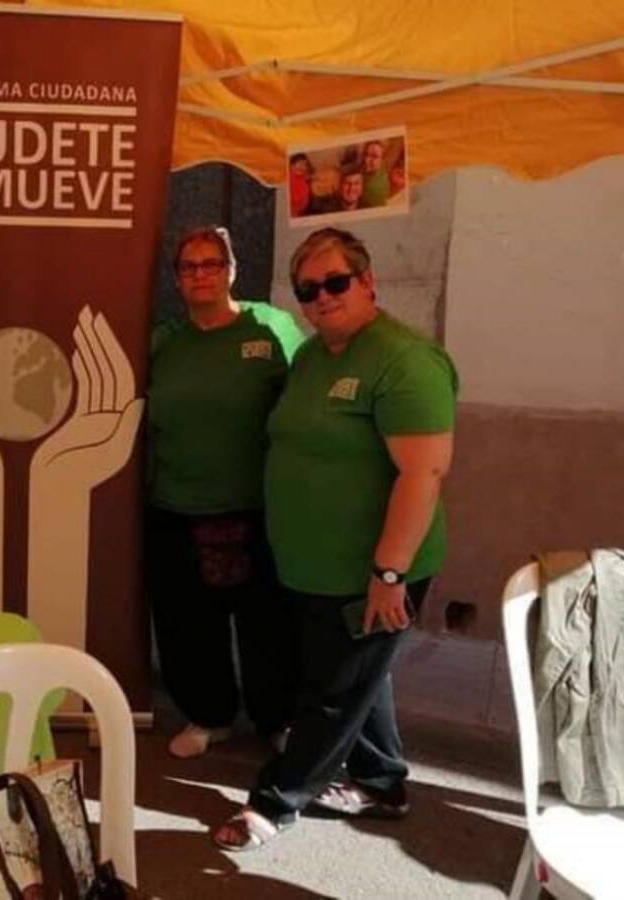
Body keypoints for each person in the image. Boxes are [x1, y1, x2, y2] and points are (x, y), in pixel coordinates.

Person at [213, 227, 457, 849]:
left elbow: (423, 474)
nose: (321, 297)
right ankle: (382, 783)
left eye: (335, 282)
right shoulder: (313, 356)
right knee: (358, 675)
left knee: (330, 691)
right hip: (311, 565)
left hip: (368, 569)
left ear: (368, 281)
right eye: (307, 290)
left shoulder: (405, 361)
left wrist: (389, 575)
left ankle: (275, 801)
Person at [147, 225, 306, 759]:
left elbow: (307, 395)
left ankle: (276, 720)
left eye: (211, 263)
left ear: (232, 270)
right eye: (189, 266)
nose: (200, 274)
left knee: (266, 625)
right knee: (187, 624)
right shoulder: (165, 342)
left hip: (254, 508)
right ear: (177, 278)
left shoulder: (272, 328)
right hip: (176, 506)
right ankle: (208, 716)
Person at [361, 141, 390, 208]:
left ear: (382, 160)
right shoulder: (363, 171)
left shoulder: (379, 185)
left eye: (374, 156)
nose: (367, 160)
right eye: (366, 155)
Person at [288, 153, 312, 218]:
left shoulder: (304, 179)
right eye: (299, 163)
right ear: (291, 165)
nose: (302, 167)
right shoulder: (288, 179)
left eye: (305, 165)